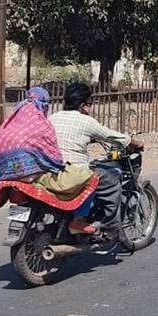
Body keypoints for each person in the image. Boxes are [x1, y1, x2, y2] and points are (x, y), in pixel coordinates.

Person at [49, 83, 137, 235]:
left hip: (52, 169)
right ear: (82, 105)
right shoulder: (86, 121)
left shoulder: (52, 118)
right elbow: (109, 135)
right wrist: (133, 142)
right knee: (112, 176)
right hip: (74, 171)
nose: (90, 108)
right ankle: (106, 224)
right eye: (89, 104)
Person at [0, 87, 68, 210]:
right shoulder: (40, 123)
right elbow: (51, 152)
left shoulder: (15, 118)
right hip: (27, 174)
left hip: (4, 172)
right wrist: (58, 163)